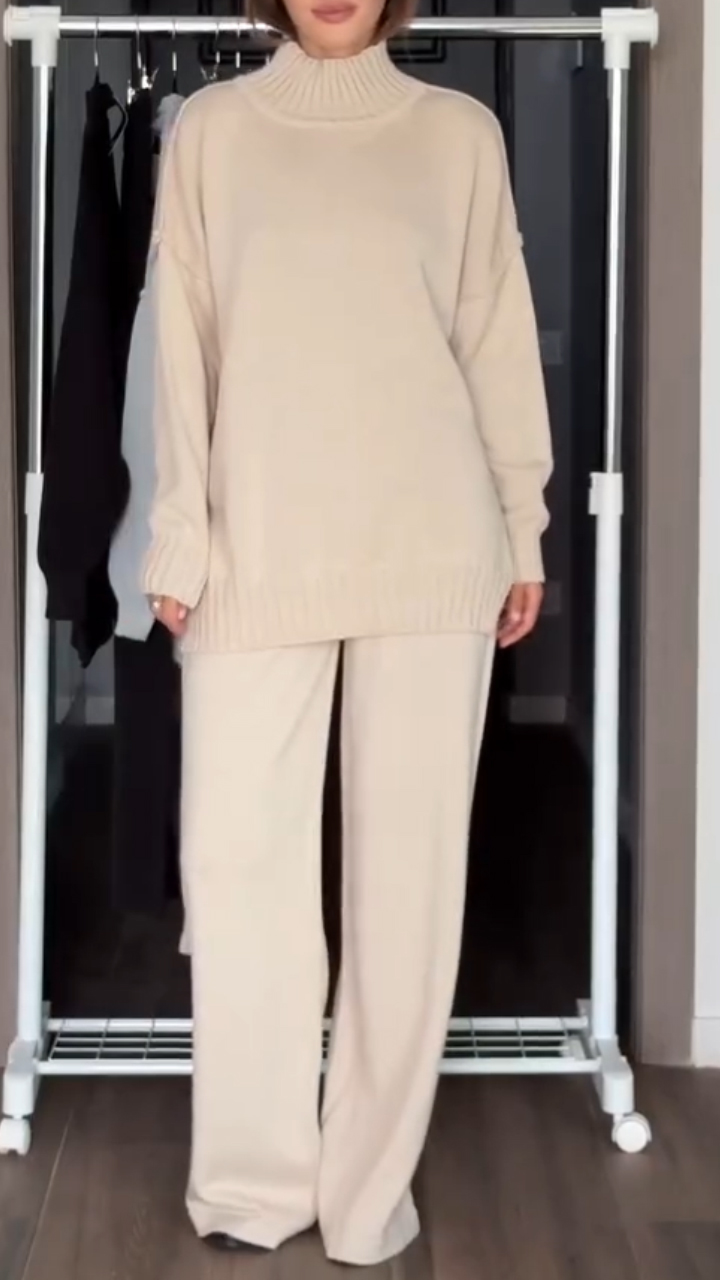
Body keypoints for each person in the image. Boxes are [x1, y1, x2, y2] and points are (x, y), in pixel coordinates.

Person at [144, 0, 553, 1265]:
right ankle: (254, 1184)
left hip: (432, 548)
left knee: (408, 890)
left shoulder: (459, 135)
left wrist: (523, 527)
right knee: (238, 869)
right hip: (256, 549)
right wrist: (178, 532)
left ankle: (369, 1193)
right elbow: (181, 344)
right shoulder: (211, 133)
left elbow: (494, 340)